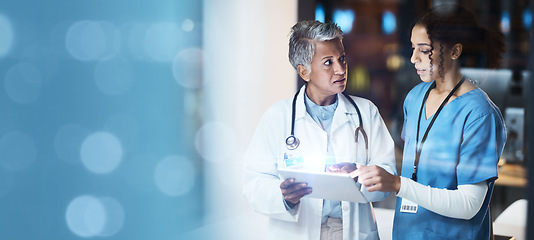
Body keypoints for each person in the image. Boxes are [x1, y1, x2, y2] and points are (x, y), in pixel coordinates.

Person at [350, 4, 507, 240]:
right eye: (413, 48)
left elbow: (469, 204)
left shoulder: (479, 114)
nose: (413, 58)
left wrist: (397, 184)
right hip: (406, 232)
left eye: (424, 50)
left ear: (455, 51)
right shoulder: (415, 97)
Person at [242, 20, 397, 240]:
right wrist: (285, 196)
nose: (340, 69)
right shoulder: (277, 117)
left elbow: (388, 175)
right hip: (298, 230)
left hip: (351, 230)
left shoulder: (366, 112)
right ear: (304, 71)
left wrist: (358, 174)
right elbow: (254, 183)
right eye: (328, 62)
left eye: (342, 58)